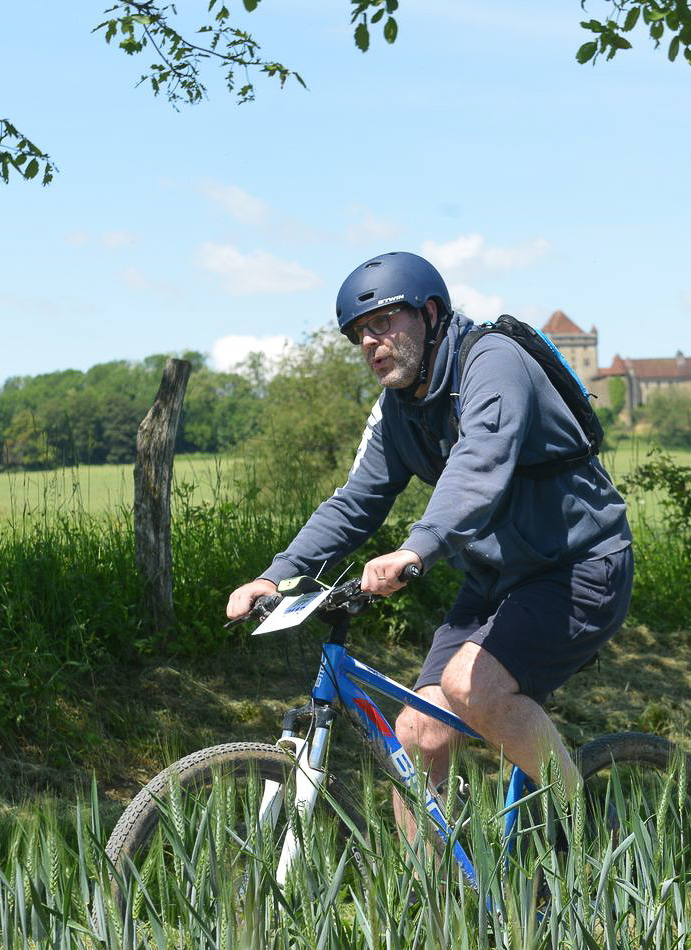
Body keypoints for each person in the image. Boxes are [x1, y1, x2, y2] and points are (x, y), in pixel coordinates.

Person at [225, 251, 633, 835]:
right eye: (360, 333)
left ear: (431, 313)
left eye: (384, 322)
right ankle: (437, 889)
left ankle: (592, 837)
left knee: (473, 686)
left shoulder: (492, 362)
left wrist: (416, 548)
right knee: (417, 734)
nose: (372, 342)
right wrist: (277, 574)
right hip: (496, 581)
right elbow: (356, 501)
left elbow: (480, 463)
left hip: (580, 566)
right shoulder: (398, 410)